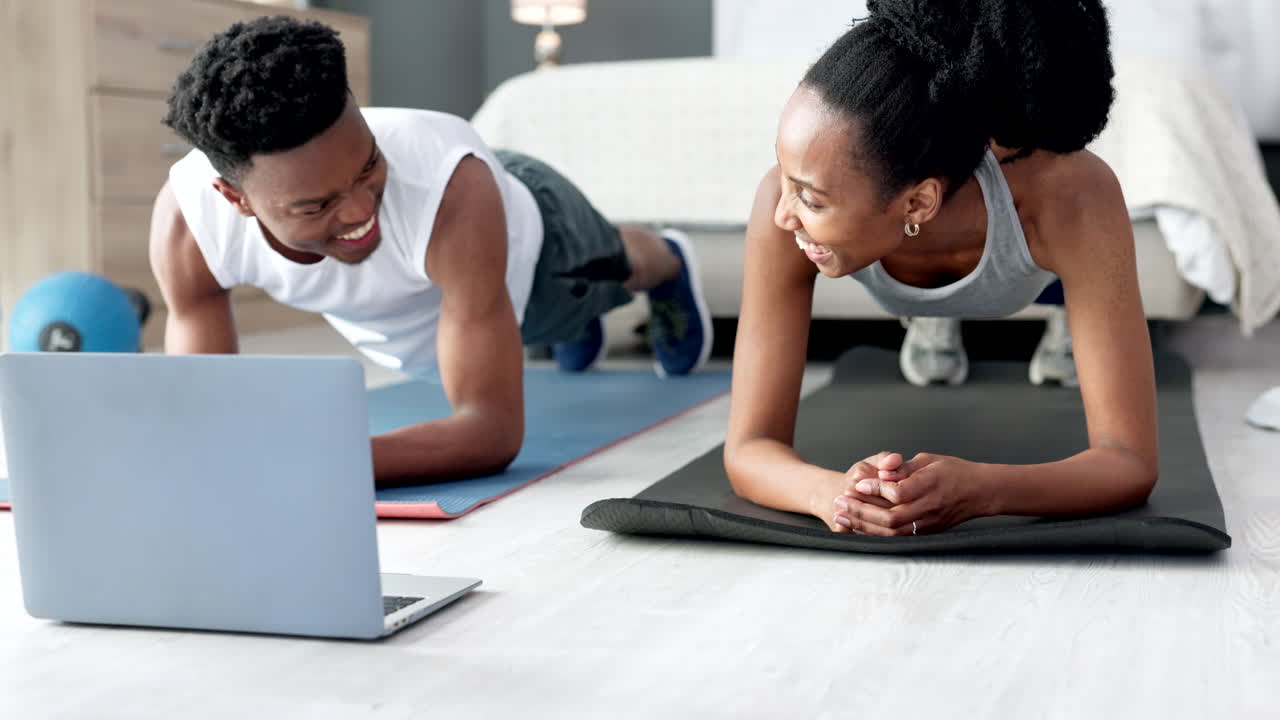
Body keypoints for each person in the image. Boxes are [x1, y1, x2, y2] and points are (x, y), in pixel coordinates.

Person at [150, 16, 712, 487]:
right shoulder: (190, 225)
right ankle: (571, 330)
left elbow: (489, 430)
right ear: (235, 198)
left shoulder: (451, 191)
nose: (356, 211)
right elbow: (204, 415)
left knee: (618, 269)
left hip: (541, 251)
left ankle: (670, 261)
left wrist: (314, 462)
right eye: (316, 205)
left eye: (368, 165)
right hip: (454, 244)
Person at [724, 0, 1157, 535]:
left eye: (811, 200)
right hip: (900, 233)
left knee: (1065, 308)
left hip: (1025, 264)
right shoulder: (785, 200)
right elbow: (748, 449)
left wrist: (985, 490)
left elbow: (1128, 461)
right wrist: (835, 495)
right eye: (786, 176)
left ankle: (1064, 317)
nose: (780, 213)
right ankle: (932, 315)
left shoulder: (1069, 196)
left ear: (918, 203)